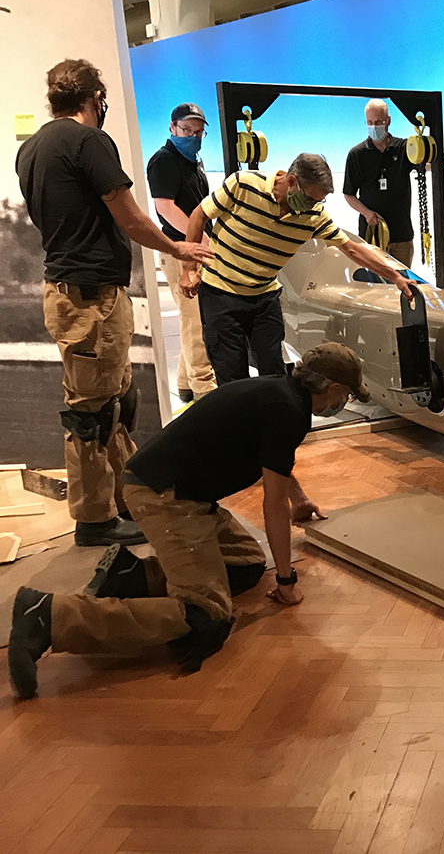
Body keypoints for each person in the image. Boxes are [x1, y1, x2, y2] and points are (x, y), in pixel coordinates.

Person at [7, 342, 368, 700]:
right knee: (206, 614)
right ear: (333, 389)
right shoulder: (287, 410)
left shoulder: (279, 392)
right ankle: (50, 617)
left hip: (180, 491)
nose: (344, 402)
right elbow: (272, 505)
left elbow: (274, 459)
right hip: (165, 496)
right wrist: (287, 580)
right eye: (348, 395)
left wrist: (300, 500)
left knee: (246, 565)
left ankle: (132, 577)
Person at [15, 59, 210, 549]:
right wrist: (179, 247)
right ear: (94, 97)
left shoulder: (31, 147)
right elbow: (130, 217)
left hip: (76, 293)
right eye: (102, 99)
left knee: (116, 401)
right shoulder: (88, 142)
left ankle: (125, 498)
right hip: (90, 298)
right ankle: (95, 519)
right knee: (93, 411)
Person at [180, 152, 415, 385]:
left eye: (319, 201)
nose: (313, 206)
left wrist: (395, 277)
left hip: (263, 297)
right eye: (311, 199)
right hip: (221, 294)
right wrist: (189, 268)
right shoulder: (243, 184)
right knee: (232, 375)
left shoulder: (313, 216)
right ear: (292, 182)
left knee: (274, 372)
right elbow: (198, 215)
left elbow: (352, 249)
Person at [147, 102, 217, 403]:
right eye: (187, 130)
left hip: (196, 248)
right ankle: (205, 389)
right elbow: (165, 207)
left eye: (198, 132)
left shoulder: (193, 163)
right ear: (172, 127)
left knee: (193, 318)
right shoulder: (163, 161)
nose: (193, 137)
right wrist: (200, 237)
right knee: (196, 321)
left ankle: (185, 383)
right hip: (180, 250)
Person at [343, 99, 417, 266]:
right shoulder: (357, 155)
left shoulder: (404, 148)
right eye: (370, 122)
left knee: (403, 285)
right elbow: (349, 194)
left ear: (388, 121)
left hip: (401, 236)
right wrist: (367, 213)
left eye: (378, 122)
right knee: (374, 285)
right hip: (371, 238)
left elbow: (422, 163)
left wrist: (433, 159)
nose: (374, 127)